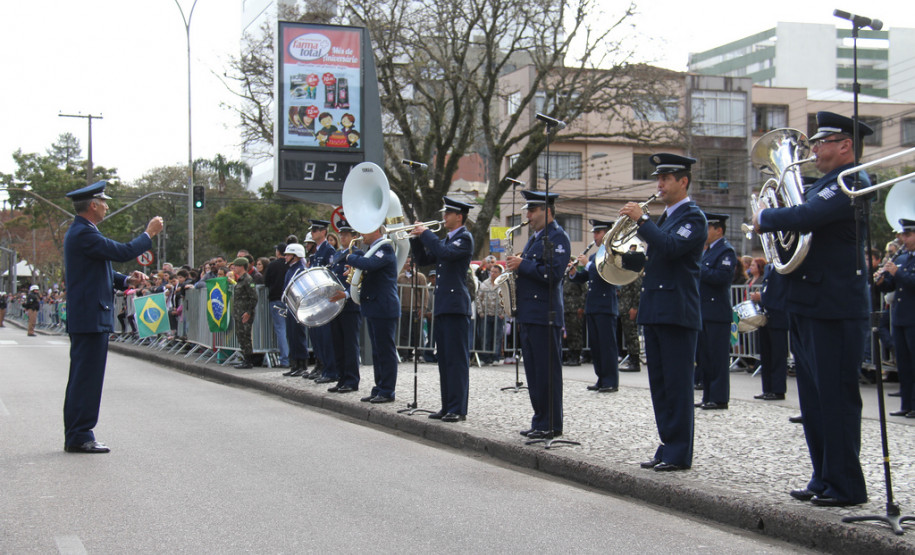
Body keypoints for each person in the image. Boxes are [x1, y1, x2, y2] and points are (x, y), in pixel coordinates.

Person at [752, 111, 872, 507]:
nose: (814, 149)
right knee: (814, 401)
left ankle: (846, 486)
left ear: (845, 146)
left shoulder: (851, 181)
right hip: (808, 304)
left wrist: (764, 217)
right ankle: (823, 476)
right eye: (814, 142)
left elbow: (806, 216)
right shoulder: (823, 183)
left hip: (835, 308)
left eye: (823, 142)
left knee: (835, 399)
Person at [62, 180, 164, 453]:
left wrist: (126, 279)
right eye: (104, 202)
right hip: (90, 316)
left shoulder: (84, 232)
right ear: (93, 205)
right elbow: (121, 252)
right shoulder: (84, 233)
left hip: (88, 315)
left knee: (84, 377)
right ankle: (80, 434)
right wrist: (148, 234)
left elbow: (101, 269)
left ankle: (78, 432)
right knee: (87, 379)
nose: (107, 206)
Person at [620, 153, 706, 472]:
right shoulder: (667, 218)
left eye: (666, 179)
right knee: (660, 384)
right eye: (658, 178)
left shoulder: (693, 217)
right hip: (656, 310)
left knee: (677, 385)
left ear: (683, 181)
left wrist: (641, 220)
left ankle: (680, 451)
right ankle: (667, 445)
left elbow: (671, 248)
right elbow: (659, 256)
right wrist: (629, 261)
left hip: (676, 311)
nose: (660, 185)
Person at [506, 190, 571, 440]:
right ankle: (540, 419)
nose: (528, 215)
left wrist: (523, 265)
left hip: (546, 315)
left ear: (547, 210)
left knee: (547, 374)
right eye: (528, 211)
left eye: (532, 211)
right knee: (534, 373)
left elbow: (553, 274)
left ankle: (552, 423)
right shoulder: (535, 238)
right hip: (530, 314)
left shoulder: (557, 237)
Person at [410, 196, 475, 422]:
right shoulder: (446, 240)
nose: (444, 217)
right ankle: (447, 405)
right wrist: (416, 239)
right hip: (444, 307)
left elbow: (444, 254)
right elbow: (424, 258)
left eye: (448, 214)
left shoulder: (464, 239)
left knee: (456, 360)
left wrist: (425, 232)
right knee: (445, 359)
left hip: (456, 306)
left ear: (459, 216)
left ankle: (458, 408)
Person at [347, 226, 400, 403]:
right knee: (377, 351)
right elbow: (365, 263)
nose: (362, 235)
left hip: (384, 306)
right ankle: (379, 387)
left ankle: (387, 390)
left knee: (385, 350)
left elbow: (368, 264)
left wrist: (350, 257)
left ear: (377, 231)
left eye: (366, 231)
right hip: (374, 305)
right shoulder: (372, 251)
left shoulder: (385, 248)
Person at [570, 219, 620, 391]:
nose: (595, 236)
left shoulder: (613, 253)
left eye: (598, 233)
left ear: (607, 233)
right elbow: (586, 278)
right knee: (596, 346)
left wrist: (588, 264)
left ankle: (611, 380)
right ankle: (601, 377)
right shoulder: (593, 256)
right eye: (595, 233)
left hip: (606, 306)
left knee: (607, 346)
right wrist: (574, 272)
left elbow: (604, 274)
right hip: (593, 305)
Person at [695, 212, 738, 410]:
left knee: (718, 358)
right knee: (706, 357)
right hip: (704, 310)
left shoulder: (726, 251)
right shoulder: (707, 251)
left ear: (718, 230)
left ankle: (719, 397)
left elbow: (722, 277)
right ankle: (708, 396)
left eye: (708, 228)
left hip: (717, 312)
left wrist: (699, 268)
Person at [876, 219, 915, 417]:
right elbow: (891, 285)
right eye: (903, 236)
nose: (903, 239)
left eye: (908, 235)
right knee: (904, 364)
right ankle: (907, 404)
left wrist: (897, 273)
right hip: (900, 317)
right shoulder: (903, 257)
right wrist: (882, 279)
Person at [326, 220, 363, 393]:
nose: (342, 237)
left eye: (346, 235)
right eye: (341, 234)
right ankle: (341, 378)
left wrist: (347, 294)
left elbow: (357, 280)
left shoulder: (357, 254)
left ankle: (351, 380)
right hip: (336, 305)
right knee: (337, 344)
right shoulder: (337, 255)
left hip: (350, 304)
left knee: (349, 344)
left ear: (354, 237)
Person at [307, 220, 339, 384]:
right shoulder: (317, 252)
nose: (313, 233)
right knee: (319, 338)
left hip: (325, 299)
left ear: (324, 232)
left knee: (326, 338)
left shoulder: (328, 250)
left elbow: (330, 272)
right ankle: (323, 368)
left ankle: (331, 370)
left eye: (316, 230)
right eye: (312, 230)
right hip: (317, 299)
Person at [752, 263, 789, 401]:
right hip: (766, 314)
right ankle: (767, 388)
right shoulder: (769, 267)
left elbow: (780, 291)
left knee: (777, 356)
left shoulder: (783, 266)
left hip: (778, 314)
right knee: (766, 355)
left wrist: (762, 297)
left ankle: (778, 389)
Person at [283, 243, 311, 377]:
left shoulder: (299, 269)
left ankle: (302, 364)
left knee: (298, 336)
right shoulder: (291, 269)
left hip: (297, 307)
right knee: (291, 335)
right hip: (291, 306)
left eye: (288, 254)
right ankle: (294, 363)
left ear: (296, 256)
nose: (286, 257)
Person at [265, 244, 291, 371]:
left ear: (278, 252)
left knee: (281, 330)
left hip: (276, 298)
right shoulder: (290, 265)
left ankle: (285, 359)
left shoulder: (273, 265)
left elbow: (266, 281)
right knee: (291, 329)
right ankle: (295, 357)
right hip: (290, 299)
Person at [396, 255, 427, 361]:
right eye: (405, 262)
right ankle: (404, 354)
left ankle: (419, 354)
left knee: (418, 332)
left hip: (416, 308)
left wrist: (423, 307)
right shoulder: (400, 278)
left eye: (409, 262)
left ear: (413, 264)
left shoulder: (420, 277)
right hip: (404, 308)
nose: (407, 264)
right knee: (403, 332)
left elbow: (425, 293)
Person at [230, 257, 259, 369]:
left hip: (245, 313)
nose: (234, 268)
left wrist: (248, 312)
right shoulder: (240, 279)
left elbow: (254, 298)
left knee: (245, 336)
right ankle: (245, 358)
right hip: (239, 312)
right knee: (241, 336)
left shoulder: (247, 279)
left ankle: (248, 360)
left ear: (241, 266)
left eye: (236, 266)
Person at [475, 264, 505, 365]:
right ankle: (485, 357)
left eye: (495, 272)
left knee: (497, 337)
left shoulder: (503, 284)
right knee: (485, 337)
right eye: (491, 272)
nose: (493, 274)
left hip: (498, 314)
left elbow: (506, 299)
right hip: (486, 314)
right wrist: (481, 312)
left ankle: (496, 357)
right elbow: (479, 298)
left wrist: (503, 313)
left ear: (500, 273)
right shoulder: (484, 283)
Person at [618, 274, 642, 372]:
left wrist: (635, 308)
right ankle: (631, 359)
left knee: (632, 335)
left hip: (629, 309)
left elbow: (637, 292)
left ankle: (635, 361)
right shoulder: (626, 275)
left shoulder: (633, 274)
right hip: (624, 309)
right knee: (628, 336)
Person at [562, 273, 586, 366]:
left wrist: (581, 307)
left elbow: (584, 292)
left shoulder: (577, 277)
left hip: (575, 309)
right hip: (566, 308)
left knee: (576, 333)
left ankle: (576, 356)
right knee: (570, 333)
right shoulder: (564, 277)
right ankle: (571, 355)